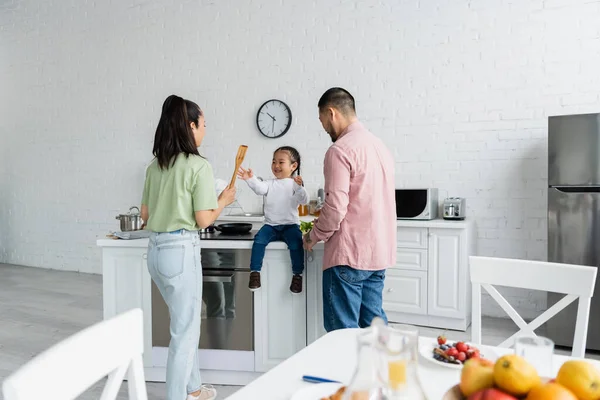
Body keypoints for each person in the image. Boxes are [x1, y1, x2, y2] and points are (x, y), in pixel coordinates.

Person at [140, 95, 236, 400]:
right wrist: (223, 200)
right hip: (180, 252)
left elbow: (144, 214)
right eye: (204, 124)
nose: (205, 130)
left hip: (155, 253)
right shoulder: (198, 165)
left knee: (184, 325)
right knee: (184, 333)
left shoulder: (155, 166)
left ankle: (193, 389)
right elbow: (204, 218)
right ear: (191, 126)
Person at [303, 87, 396, 332]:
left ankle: (344, 372)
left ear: (331, 113)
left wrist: (313, 236)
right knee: (374, 329)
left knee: (341, 335)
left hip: (349, 255)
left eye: (322, 120)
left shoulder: (340, 150)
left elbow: (334, 209)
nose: (324, 128)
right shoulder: (379, 146)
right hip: (377, 254)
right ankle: (380, 371)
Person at [238, 146, 309, 293]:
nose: (276, 166)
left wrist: (300, 187)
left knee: (296, 245)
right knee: (258, 241)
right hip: (270, 225)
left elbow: (304, 200)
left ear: (293, 166)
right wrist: (250, 179)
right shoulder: (270, 183)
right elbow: (259, 189)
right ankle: (255, 273)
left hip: (290, 225)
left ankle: (297, 275)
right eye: (274, 161)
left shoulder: (295, 184)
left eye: (281, 162)